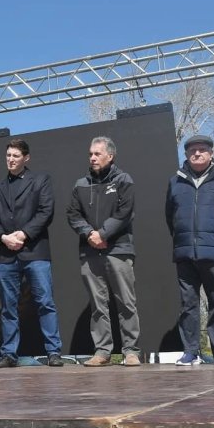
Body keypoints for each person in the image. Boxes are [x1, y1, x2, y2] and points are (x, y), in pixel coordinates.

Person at [0, 139, 64, 369]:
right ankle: (9, 353)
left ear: (26, 158)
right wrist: (3, 237)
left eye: (15, 156)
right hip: (6, 255)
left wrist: (23, 234)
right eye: (8, 155)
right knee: (8, 306)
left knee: (45, 302)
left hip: (35, 252)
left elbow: (46, 211)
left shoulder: (40, 180)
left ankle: (53, 351)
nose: (10, 159)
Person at [165, 135, 214, 366]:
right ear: (186, 155)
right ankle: (191, 351)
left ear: (211, 153)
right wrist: (182, 240)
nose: (197, 154)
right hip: (185, 254)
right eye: (192, 151)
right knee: (188, 305)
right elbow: (170, 216)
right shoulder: (175, 181)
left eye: (202, 150)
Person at [66, 136, 141, 367]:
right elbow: (72, 214)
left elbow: (125, 212)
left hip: (118, 250)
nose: (92, 158)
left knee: (126, 303)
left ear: (110, 155)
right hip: (90, 252)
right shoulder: (81, 183)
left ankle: (131, 351)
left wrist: (103, 234)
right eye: (90, 154)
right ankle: (102, 351)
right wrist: (90, 234)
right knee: (98, 305)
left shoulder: (123, 180)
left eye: (97, 154)